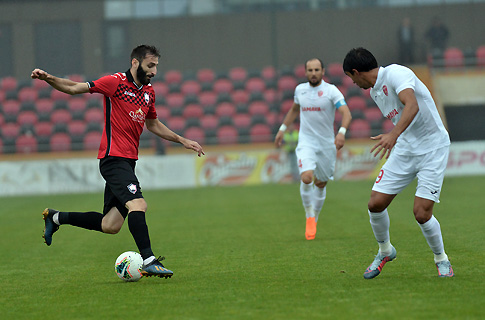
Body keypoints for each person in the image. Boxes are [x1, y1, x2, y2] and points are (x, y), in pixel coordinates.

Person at [31, 45, 205, 279]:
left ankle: (56, 217)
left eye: (156, 66)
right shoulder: (115, 82)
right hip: (114, 158)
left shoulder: (148, 92)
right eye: (150, 65)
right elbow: (74, 88)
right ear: (135, 62)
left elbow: (152, 124)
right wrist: (49, 78)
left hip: (128, 161)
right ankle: (150, 260)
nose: (154, 71)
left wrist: (181, 139)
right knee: (138, 205)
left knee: (110, 225)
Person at [342, 47, 453, 278]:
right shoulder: (375, 92)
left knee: (421, 213)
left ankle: (441, 259)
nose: (353, 84)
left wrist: (392, 135)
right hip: (406, 147)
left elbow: (412, 105)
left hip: (432, 147)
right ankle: (385, 251)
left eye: (351, 78)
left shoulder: (395, 73)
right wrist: (397, 137)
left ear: (356, 71)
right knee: (375, 203)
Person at [275, 58, 352, 241]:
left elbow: (346, 113)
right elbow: (294, 110)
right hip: (306, 141)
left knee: (321, 183)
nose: (313, 73)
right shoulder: (300, 90)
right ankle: (309, 215)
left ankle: (314, 217)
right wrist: (282, 129)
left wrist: (341, 132)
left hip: (326, 144)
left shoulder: (331, 91)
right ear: (305, 72)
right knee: (307, 177)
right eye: (310, 70)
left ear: (323, 71)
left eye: (317, 69)